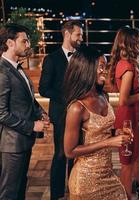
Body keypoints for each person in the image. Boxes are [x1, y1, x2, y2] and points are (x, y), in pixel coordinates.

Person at [63, 46, 128, 200]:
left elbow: (98, 131)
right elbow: (69, 151)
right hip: (85, 180)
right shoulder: (77, 107)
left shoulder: (102, 96)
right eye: (101, 66)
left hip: (107, 174)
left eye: (105, 66)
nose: (104, 70)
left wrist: (115, 133)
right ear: (87, 68)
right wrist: (109, 142)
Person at [0, 23, 50, 200]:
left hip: (22, 141)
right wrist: (32, 125)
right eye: (24, 41)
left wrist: (40, 112)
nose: (28, 45)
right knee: (9, 193)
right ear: (10, 43)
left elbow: (28, 98)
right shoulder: (2, 71)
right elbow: (1, 114)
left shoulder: (16, 67)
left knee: (21, 186)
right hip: (11, 145)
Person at [108, 26, 139, 200]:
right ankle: (125, 196)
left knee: (137, 154)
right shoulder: (127, 67)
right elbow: (123, 100)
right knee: (127, 163)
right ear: (131, 43)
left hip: (133, 116)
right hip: (127, 118)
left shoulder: (126, 63)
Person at [39, 20, 83, 199]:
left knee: (77, 154)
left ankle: (74, 189)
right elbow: (43, 89)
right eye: (78, 35)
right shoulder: (51, 59)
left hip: (81, 114)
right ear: (67, 34)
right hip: (61, 115)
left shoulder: (82, 57)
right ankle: (56, 194)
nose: (81, 38)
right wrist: (67, 98)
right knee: (60, 154)